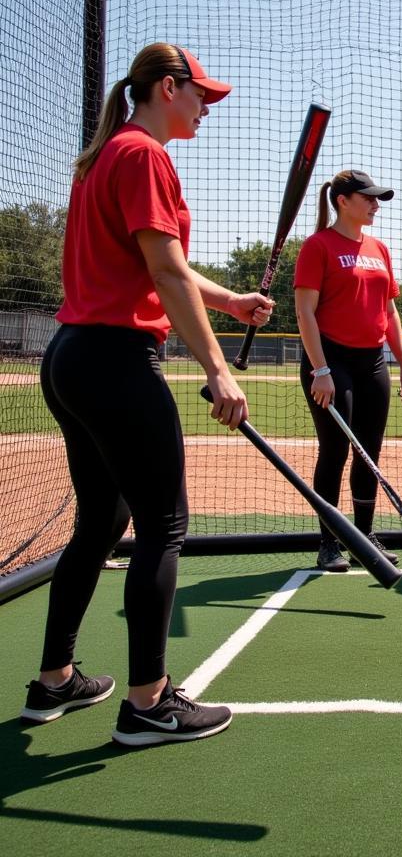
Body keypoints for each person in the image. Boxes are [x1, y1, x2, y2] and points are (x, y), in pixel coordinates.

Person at [22, 44, 273, 746]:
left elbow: (163, 266)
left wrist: (226, 302)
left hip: (72, 358)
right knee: (163, 525)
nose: (206, 108)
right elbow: (163, 270)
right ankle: (148, 702)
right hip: (116, 360)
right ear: (168, 88)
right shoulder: (146, 156)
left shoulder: (109, 154)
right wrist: (218, 368)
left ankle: (54, 681)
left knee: (101, 522)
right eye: (201, 96)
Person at [294, 169, 402, 572]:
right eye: (368, 198)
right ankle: (329, 543)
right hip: (331, 360)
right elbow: (305, 312)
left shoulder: (379, 248)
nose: (375, 205)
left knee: (370, 454)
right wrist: (321, 369)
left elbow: (390, 310)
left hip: (372, 362)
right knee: (336, 450)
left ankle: (365, 538)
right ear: (343, 201)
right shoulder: (318, 246)